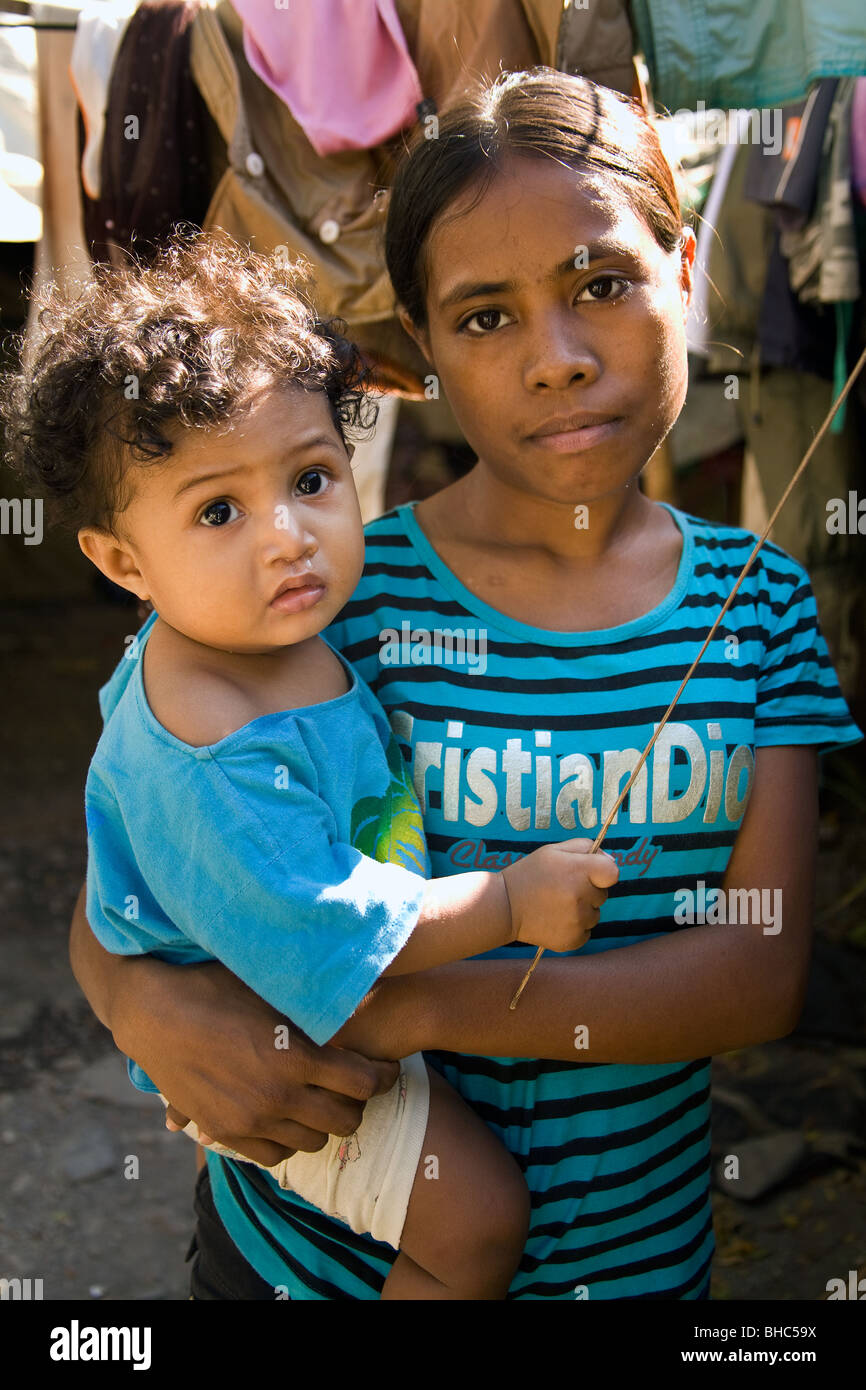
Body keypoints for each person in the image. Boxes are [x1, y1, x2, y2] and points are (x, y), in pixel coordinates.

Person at [67, 69, 860, 1301]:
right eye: (483, 317)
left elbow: (755, 975)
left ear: (685, 267)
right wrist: (133, 997)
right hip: (297, 1261)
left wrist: (403, 1011)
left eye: (599, 284)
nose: (553, 359)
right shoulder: (321, 597)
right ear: (423, 348)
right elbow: (142, 831)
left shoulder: (756, 606)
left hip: (633, 1267)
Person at [1, 230, 619, 1301]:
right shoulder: (209, 738)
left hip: (292, 1005)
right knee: (475, 1220)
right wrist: (514, 898)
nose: (287, 536)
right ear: (120, 562)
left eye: (311, 476)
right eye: (218, 510)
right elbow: (343, 933)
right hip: (281, 1045)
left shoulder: (242, 632)